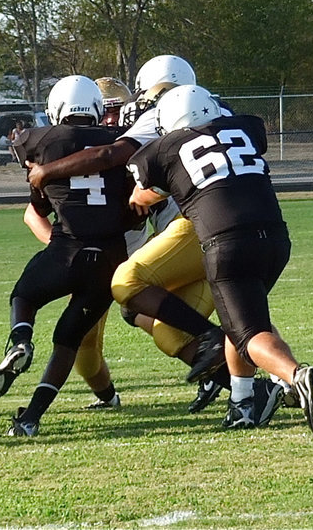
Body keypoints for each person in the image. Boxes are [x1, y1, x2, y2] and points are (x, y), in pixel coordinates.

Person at [28, 56, 285, 427]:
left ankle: (236, 371)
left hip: (197, 230)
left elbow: (117, 161)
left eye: (119, 110)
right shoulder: (213, 112)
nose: (116, 120)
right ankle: (268, 380)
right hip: (224, 229)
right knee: (168, 322)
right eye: (109, 113)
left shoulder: (162, 118)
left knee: (132, 288)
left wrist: (47, 172)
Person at [128, 85, 313, 434]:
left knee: (247, 333)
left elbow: (143, 193)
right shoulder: (243, 128)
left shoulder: (162, 148)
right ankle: (243, 405)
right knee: (242, 321)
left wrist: (140, 196)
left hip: (227, 242)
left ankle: (294, 376)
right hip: (276, 239)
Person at [0, 75, 138, 437]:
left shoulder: (44, 141)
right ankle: (31, 417)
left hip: (67, 248)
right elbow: (133, 209)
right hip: (111, 260)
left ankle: (21, 339)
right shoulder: (123, 141)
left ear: (56, 109)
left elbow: (27, 160)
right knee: (67, 341)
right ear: (97, 109)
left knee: (24, 296)